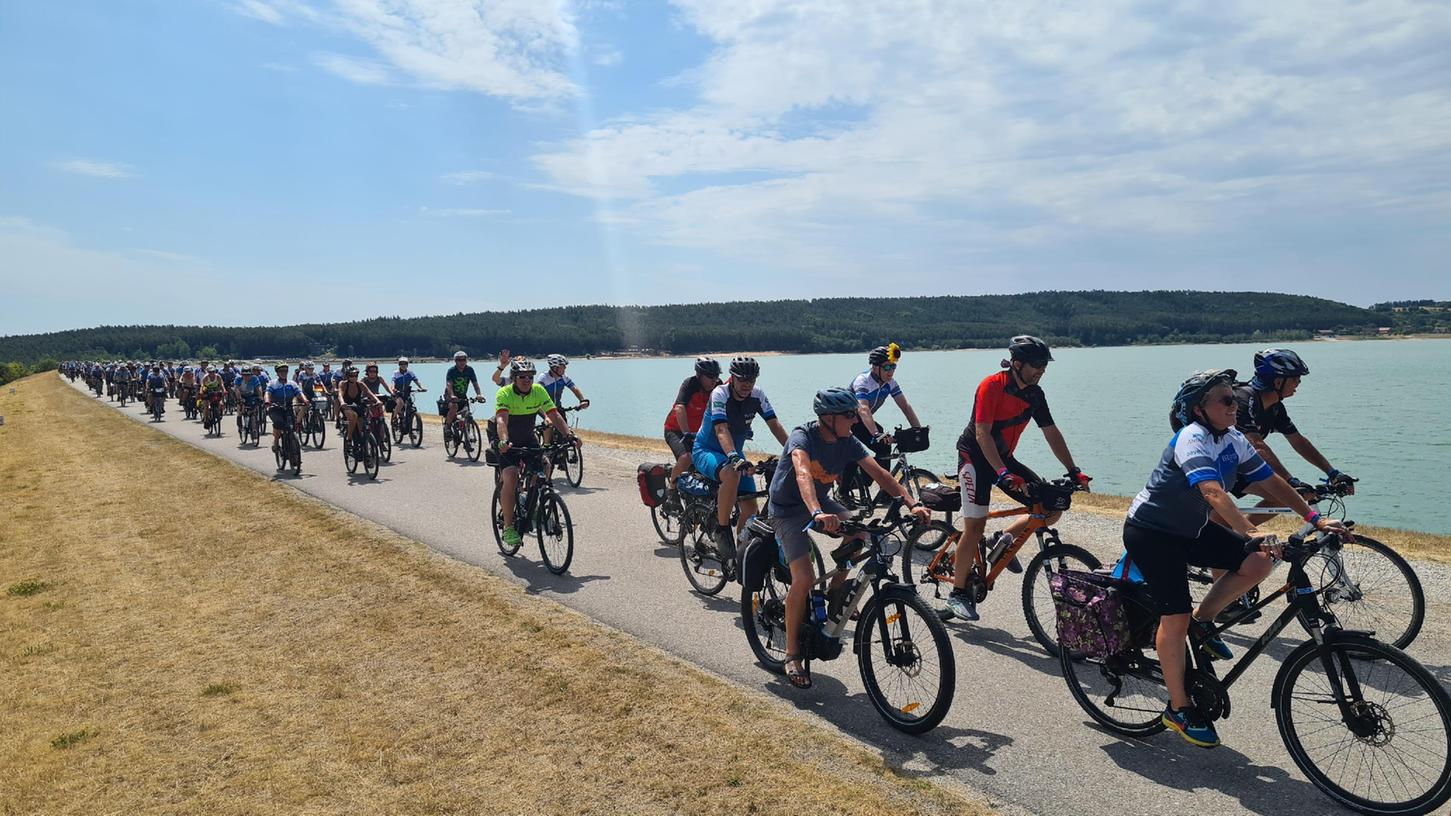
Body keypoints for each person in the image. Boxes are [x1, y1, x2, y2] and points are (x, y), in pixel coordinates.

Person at [1126, 368, 1349, 748]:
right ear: (1200, 409)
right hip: (1153, 534)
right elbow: (1212, 492)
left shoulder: (1231, 438)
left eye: (1234, 398)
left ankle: (1204, 621)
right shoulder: (1190, 439)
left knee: (1258, 564)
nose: (1235, 405)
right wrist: (1250, 531)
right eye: (1226, 400)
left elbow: (1269, 481)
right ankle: (1178, 709)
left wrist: (1314, 517)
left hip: (1191, 529)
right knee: (1173, 617)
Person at [768, 387, 932, 688]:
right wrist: (817, 513)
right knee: (803, 579)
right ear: (828, 418)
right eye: (849, 415)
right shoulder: (802, 437)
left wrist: (912, 502)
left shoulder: (847, 440)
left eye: (855, 414)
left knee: (859, 532)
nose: (855, 421)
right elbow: (803, 473)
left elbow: (880, 472)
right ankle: (791, 654)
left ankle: (836, 589)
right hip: (789, 510)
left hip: (821, 503)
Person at [945, 335, 1092, 622]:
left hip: (1003, 459)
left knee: (1049, 507)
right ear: (1016, 364)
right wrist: (1002, 473)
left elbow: (1050, 431)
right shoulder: (991, 386)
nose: (1041, 370)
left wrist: (1074, 470)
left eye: (1044, 365)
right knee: (974, 526)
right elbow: (982, 434)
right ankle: (958, 593)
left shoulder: (1035, 394)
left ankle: (1001, 539)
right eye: (1036, 364)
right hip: (975, 458)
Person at [692, 356, 790, 559]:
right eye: (742, 380)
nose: (747, 385)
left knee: (750, 507)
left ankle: (740, 553)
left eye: (751, 380)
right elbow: (720, 429)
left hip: (735, 454)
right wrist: (734, 458)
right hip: (707, 450)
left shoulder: (757, 395)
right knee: (731, 474)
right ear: (732, 378)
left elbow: (775, 425)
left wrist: (795, 451)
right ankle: (722, 529)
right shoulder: (720, 393)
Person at [493, 358, 578, 548]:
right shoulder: (504, 393)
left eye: (530, 377)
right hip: (506, 439)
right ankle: (508, 527)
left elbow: (554, 414)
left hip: (527, 437)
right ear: (514, 378)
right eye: (522, 377)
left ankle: (533, 502)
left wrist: (570, 435)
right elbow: (501, 421)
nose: (527, 380)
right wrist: (504, 441)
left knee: (545, 465)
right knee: (511, 475)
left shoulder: (538, 391)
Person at [840, 343, 924, 499]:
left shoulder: (890, 383)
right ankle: (843, 493)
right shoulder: (863, 381)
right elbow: (863, 409)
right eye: (886, 368)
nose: (890, 372)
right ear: (875, 367)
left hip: (863, 421)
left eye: (893, 367)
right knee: (854, 453)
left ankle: (885, 491)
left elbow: (905, 406)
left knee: (884, 448)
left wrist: (918, 429)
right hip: (846, 422)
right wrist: (876, 433)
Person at [664, 357, 723, 506]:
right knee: (686, 458)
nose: (714, 380)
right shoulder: (690, 384)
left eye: (716, 376)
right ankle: (672, 489)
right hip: (676, 430)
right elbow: (680, 408)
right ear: (699, 375)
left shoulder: (718, 387)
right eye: (710, 376)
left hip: (699, 433)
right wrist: (686, 433)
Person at [334, 366, 383, 462]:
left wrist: (377, 401)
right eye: (352, 376)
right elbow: (340, 394)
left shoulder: (360, 384)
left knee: (362, 429)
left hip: (358, 407)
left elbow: (370, 393)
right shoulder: (343, 384)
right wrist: (342, 403)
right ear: (348, 376)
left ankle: (366, 454)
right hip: (347, 407)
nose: (354, 377)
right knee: (353, 416)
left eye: (356, 375)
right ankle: (348, 440)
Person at [264, 364, 307, 460]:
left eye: (285, 371)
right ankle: (275, 441)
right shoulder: (273, 383)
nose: (284, 373)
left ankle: (293, 451)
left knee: (291, 427)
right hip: (275, 407)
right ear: (277, 373)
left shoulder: (292, 384)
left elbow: (299, 393)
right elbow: (267, 393)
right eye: (281, 371)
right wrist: (267, 401)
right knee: (278, 423)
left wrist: (305, 400)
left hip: (288, 407)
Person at [443, 351, 484, 447]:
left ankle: (467, 439)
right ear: (455, 361)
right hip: (450, 395)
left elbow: (475, 384)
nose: (462, 362)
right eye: (460, 360)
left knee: (466, 415)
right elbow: (449, 385)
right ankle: (447, 426)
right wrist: (452, 396)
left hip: (462, 396)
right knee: (454, 406)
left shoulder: (470, 370)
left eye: (464, 359)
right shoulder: (451, 371)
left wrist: (479, 394)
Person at [391, 357, 426, 426]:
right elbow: (393, 382)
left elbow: (416, 381)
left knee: (410, 406)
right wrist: (393, 389)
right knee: (400, 403)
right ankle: (394, 418)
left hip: (407, 393)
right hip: (398, 393)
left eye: (405, 364)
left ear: (407, 365)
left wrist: (421, 388)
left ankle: (409, 428)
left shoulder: (410, 373)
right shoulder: (396, 373)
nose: (403, 365)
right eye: (401, 364)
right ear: (399, 365)